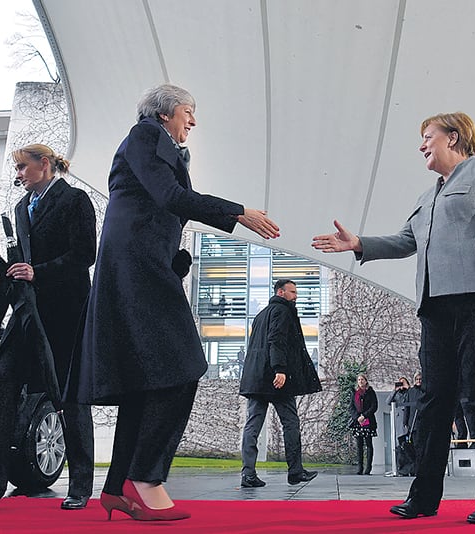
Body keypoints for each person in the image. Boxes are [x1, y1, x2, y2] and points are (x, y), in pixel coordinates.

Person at [67, 84, 280, 522]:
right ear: (165, 113)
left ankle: (117, 487)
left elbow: (160, 207)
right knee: (183, 367)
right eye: (188, 111)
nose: (193, 121)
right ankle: (145, 477)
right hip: (136, 270)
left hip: (144, 267)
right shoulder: (146, 136)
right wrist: (238, 212)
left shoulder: (158, 146)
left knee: (146, 380)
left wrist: (175, 258)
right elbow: (171, 197)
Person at [313, 111, 475, 524]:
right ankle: (424, 496)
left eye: (427, 137)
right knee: (433, 403)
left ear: (453, 136)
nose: (421, 145)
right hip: (436, 306)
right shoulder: (427, 196)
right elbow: (405, 241)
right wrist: (359, 243)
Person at [0, 144, 97, 509]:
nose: (18, 174)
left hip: (66, 313)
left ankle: (80, 486)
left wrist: (38, 272)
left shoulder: (75, 200)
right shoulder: (19, 209)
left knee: (68, 397)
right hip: (27, 311)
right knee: (1, 385)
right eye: (16, 168)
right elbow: (24, 260)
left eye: (21, 167)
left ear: (43, 165)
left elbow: (85, 255)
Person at [239, 279, 322, 488]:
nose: (296, 296)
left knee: (252, 426)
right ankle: (295, 471)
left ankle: (248, 474)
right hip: (276, 379)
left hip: (256, 378)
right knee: (290, 423)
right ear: (281, 292)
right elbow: (276, 340)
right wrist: (280, 369)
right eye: (293, 292)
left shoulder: (260, 315)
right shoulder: (283, 312)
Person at [349, 374, 378, 475]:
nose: (360, 381)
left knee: (369, 444)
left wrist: (364, 416)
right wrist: (357, 417)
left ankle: (368, 467)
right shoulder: (355, 393)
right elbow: (351, 407)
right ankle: (360, 467)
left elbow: (374, 406)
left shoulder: (371, 392)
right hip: (358, 422)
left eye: (362, 379)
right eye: (359, 380)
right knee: (359, 445)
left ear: (366, 381)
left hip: (368, 421)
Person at [388, 376, 416, 474]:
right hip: (400, 420)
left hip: (409, 419)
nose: (401, 385)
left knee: (410, 444)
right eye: (399, 383)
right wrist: (395, 390)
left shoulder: (410, 392)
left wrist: (408, 388)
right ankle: (401, 467)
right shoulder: (397, 394)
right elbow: (388, 401)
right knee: (400, 444)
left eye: (402, 383)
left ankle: (411, 466)